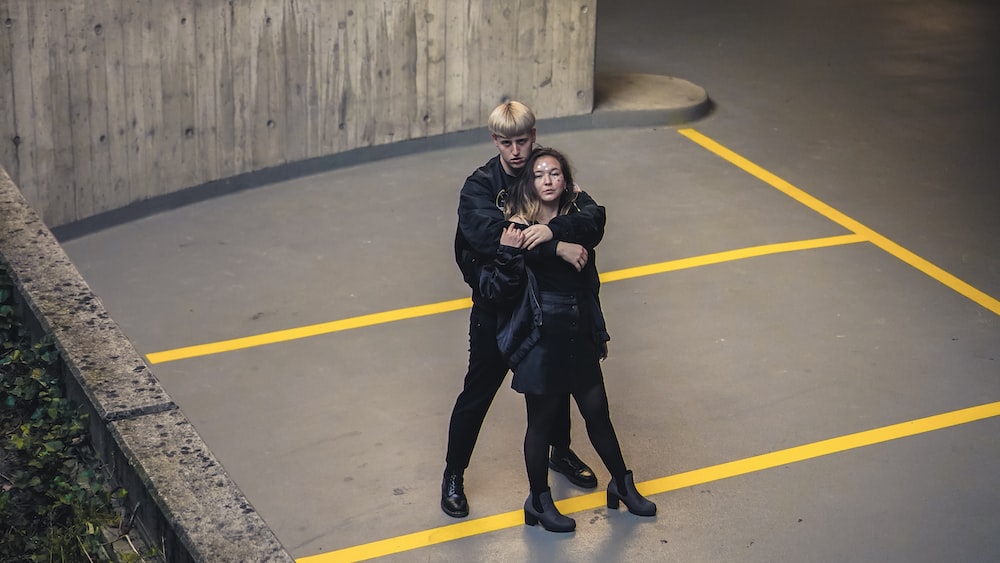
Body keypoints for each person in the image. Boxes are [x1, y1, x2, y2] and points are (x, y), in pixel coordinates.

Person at [442, 102, 607, 518]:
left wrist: (553, 229)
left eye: (522, 141)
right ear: (494, 139)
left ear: (534, 135)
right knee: (478, 391)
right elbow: (490, 239)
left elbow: (591, 217)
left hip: (545, 306)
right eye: (506, 142)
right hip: (498, 306)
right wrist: (557, 246)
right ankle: (453, 474)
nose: (516, 151)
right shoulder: (479, 187)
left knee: (558, 381)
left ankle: (561, 452)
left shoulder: (547, 173)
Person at [480, 147, 656, 532]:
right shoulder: (515, 225)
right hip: (542, 336)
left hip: (577, 327)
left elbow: (597, 222)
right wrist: (547, 246)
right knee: (540, 424)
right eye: (540, 174)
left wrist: (555, 232)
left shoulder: (576, 217)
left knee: (597, 412)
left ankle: (622, 484)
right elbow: (506, 271)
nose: (547, 180)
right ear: (529, 181)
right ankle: (538, 500)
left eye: (555, 173)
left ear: (566, 180)